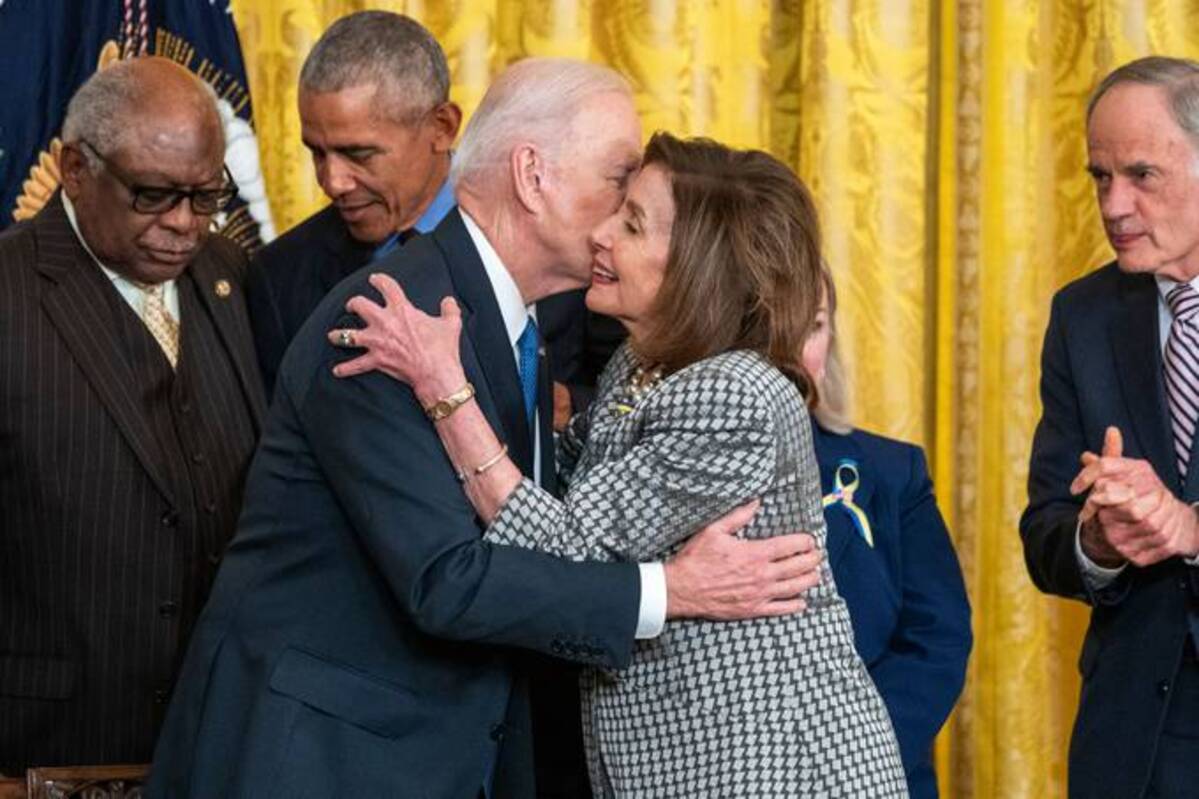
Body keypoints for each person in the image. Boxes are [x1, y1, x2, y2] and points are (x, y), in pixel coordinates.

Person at [147, 60, 822, 798]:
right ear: (534, 177)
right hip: (321, 758)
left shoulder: (504, 322)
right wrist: (672, 589)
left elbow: (554, 526)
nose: (626, 203)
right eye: (617, 179)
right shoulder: (393, 321)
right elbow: (447, 578)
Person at [333, 131, 908, 796]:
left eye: (631, 224)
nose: (600, 235)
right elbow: (561, 481)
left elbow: (562, 546)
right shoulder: (641, 366)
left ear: (697, 267)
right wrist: (671, 582)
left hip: (772, 769)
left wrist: (443, 390)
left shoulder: (735, 393)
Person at [0, 57, 265, 773]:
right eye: (153, 194)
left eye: (205, 195)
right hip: (45, 744)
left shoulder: (229, 275)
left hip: (214, 737)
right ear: (76, 169)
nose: (184, 224)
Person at [245, 10, 608, 422]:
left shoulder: (562, 235)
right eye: (317, 152)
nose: (333, 181)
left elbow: (632, 397)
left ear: (442, 126)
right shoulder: (279, 276)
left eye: (358, 154)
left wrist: (563, 407)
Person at [1022, 55, 1199, 798]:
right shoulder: (1082, 316)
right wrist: (1096, 542)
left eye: (1140, 175)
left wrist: (1188, 527)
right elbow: (1044, 534)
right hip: (1133, 744)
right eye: (1100, 177)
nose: (1113, 205)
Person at [802, 268, 972, 798]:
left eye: (814, 325)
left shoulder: (892, 472)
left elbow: (937, 639)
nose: (791, 351)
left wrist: (845, 753)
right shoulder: (684, 467)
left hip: (873, 778)